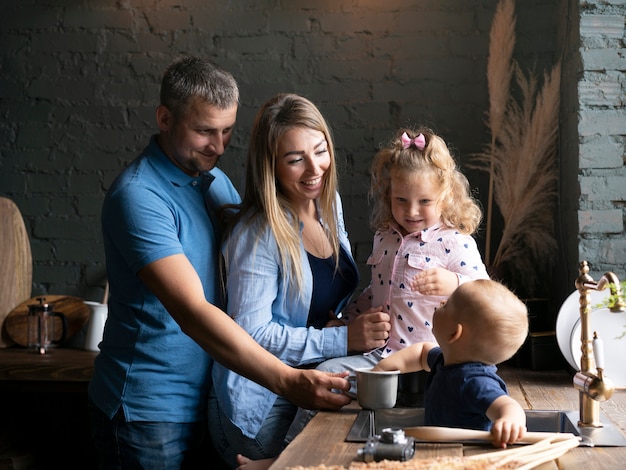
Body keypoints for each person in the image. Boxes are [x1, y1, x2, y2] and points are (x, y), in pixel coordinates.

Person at [87, 57, 352, 470]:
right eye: (204, 131)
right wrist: (288, 380)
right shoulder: (138, 197)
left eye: (227, 131)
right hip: (150, 409)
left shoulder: (215, 184)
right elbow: (193, 312)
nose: (219, 146)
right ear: (164, 118)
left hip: (214, 393)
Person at [208, 93, 391, 469]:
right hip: (259, 405)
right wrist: (341, 338)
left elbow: (316, 304)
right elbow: (250, 335)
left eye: (320, 151)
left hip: (312, 380)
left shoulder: (328, 203)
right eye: (295, 159)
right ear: (270, 166)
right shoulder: (257, 234)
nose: (314, 169)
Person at [315, 126, 490, 372]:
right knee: (323, 373)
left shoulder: (455, 241)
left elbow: (488, 296)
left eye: (425, 201)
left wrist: (455, 283)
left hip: (432, 363)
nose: (412, 211)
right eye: (401, 200)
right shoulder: (384, 238)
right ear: (389, 195)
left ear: (446, 196)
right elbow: (377, 293)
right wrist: (346, 324)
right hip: (381, 358)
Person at [373, 278, 529, 448]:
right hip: (440, 450)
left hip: (466, 456)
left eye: (446, 305)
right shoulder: (446, 360)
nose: (440, 302)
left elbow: (507, 405)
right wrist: (382, 368)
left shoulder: (475, 381)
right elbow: (421, 352)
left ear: (455, 333)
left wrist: (510, 421)